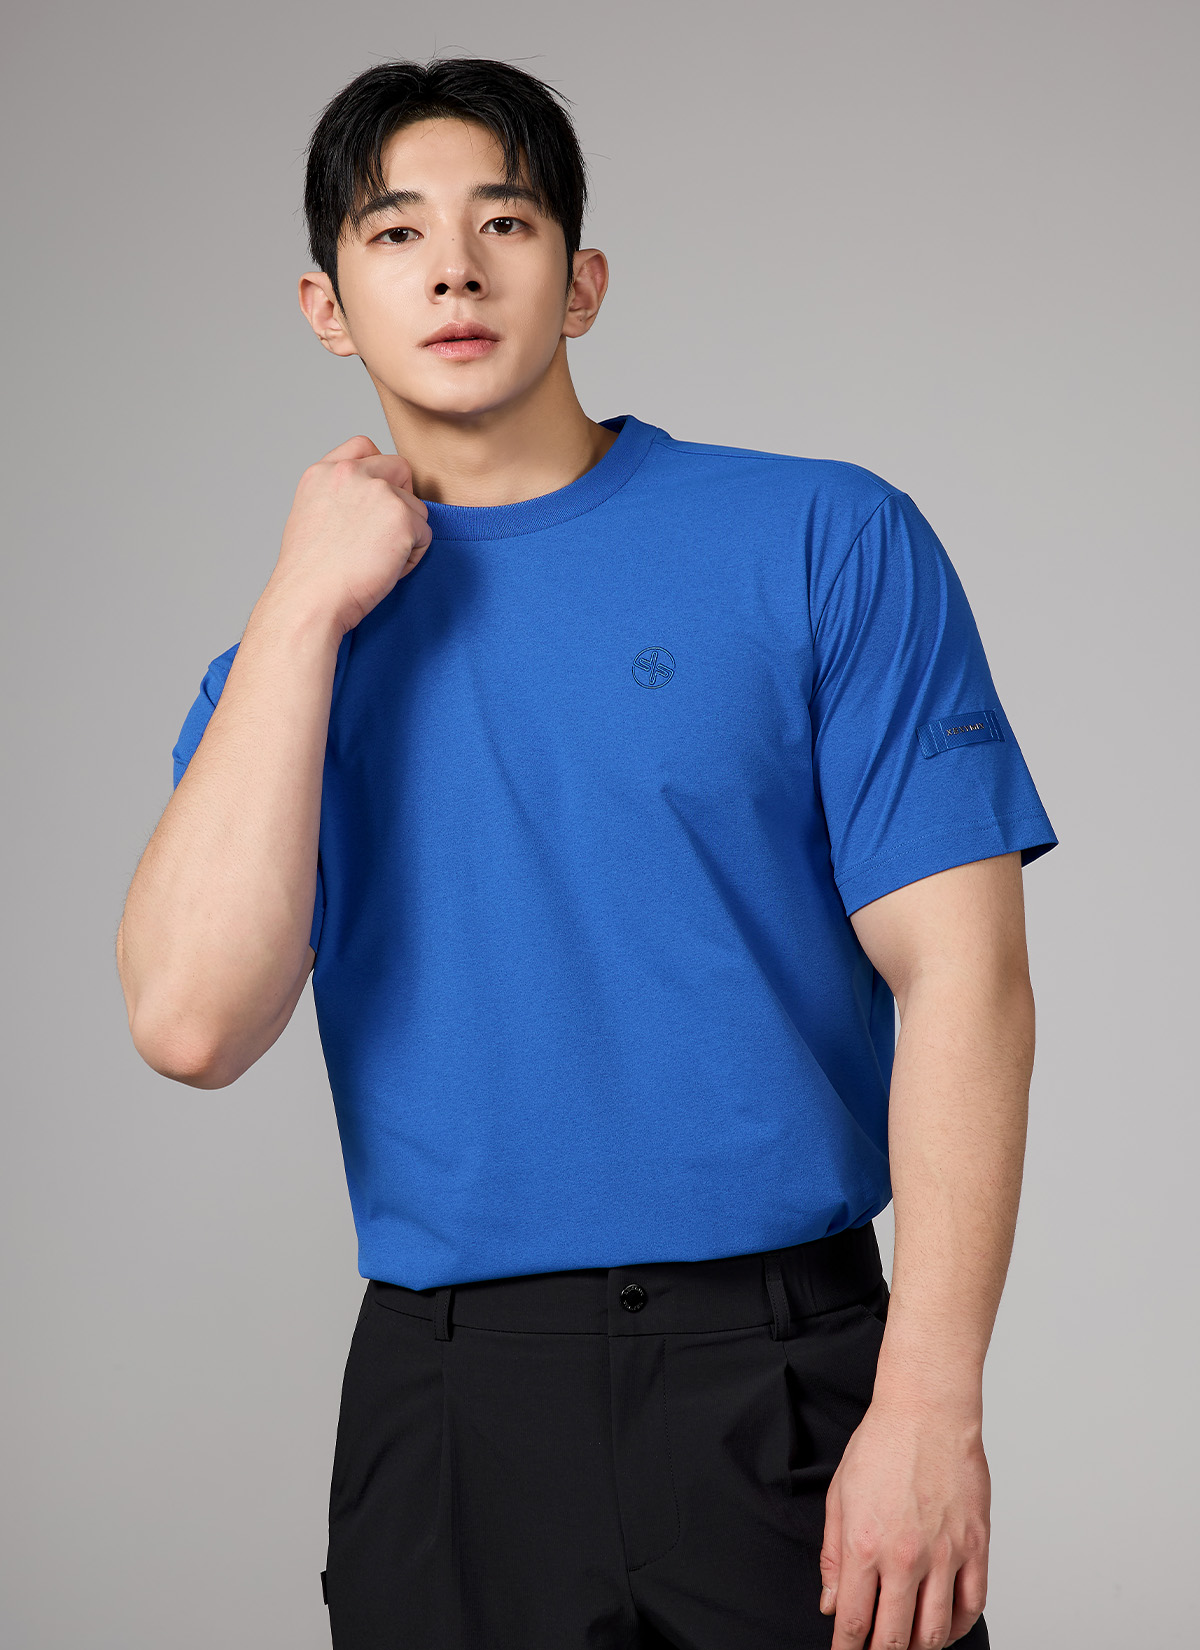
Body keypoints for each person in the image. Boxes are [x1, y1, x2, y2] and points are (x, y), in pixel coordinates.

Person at [116, 54, 1058, 1650]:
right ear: (328, 306)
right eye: (395, 232)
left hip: (788, 1368)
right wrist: (301, 602)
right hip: (452, 1404)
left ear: (581, 280)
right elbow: (191, 1021)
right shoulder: (285, 667)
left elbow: (966, 976)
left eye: (504, 221)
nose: (454, 268)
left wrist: (931, 1399)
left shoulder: (824, 540)